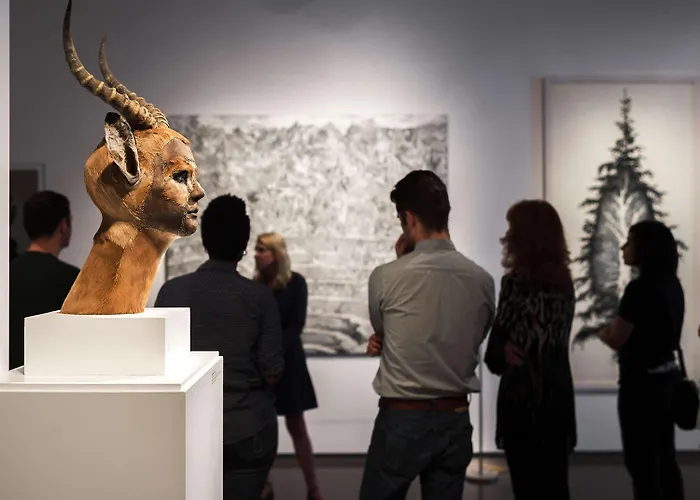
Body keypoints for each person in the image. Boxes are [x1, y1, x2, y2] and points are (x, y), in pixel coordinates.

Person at [359, 170, 495, 500]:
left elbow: (384, 332)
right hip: (455, 418)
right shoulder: (482, 280)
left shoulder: (385, 277)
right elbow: (475, 337)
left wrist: (401, 261)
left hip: (401, 418)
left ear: (408, 218)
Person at [154, 195, 284, 500]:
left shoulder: (172, 292)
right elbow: (273, 371)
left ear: (205, 240)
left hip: (188, 428)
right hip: (247, 429)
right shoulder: (259, 298)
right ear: (244, 244)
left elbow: (159, 365)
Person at [483, 199, 576, 499]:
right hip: (557, 393)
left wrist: (501, 350)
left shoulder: (517, 283)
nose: (506, 236)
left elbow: (495, 355)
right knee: (556, 485)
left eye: (512, 229)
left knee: (527, 487)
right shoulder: (564, 283)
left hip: (524, 397)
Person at [589, 220, 685, 500]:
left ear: (645, 248)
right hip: (668, 382)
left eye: (629, 242)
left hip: (641, 389)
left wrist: (601, 331)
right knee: (665, 460)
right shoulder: (673, 285)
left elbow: (617, 336)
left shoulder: (639, 289)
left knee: (642, 464)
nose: (623, 247)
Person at [253, 232, 322, 500]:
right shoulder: (256, 286)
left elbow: (296, 325)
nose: (257, 254)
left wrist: (273, 355)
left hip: (288, 364)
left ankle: (313, 487)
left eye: (262, 250)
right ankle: (263, 484)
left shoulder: (296, 283)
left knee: (297, 427)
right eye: (256, 249)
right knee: (261, 428)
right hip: (263, 366)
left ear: (276, 255)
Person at [9, 190, 79, 369]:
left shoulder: (7, 274)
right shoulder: (74, 281)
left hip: (9, 377)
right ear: (63, 226)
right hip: (53, 375)